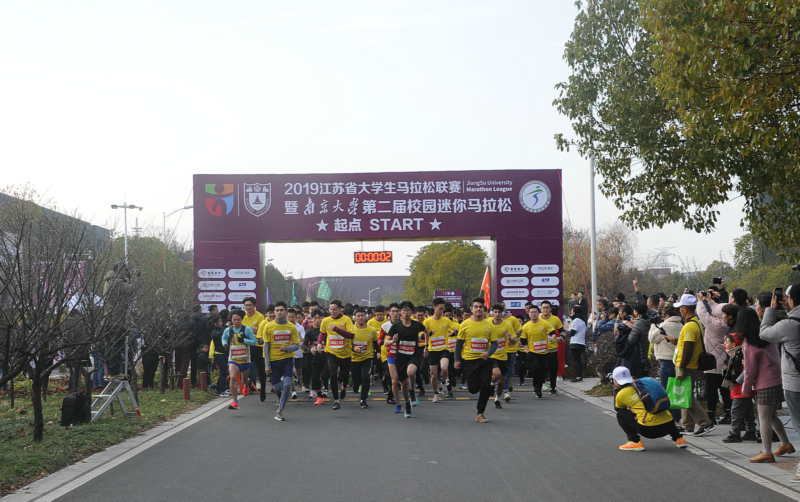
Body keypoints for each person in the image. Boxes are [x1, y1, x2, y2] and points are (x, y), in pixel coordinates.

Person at [739, 307, 794, 463]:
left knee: (763, 418)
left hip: (765, 384)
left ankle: (767, 452)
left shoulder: (749, 343)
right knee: (771, 416)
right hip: (778, 380)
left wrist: (746, 388)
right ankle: (785, 444)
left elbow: (749, 371)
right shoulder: (767, 337)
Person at [760, 285, 800, 479]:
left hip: (795, 383)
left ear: (791, 300)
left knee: (799, 424)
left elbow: (765, 332)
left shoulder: (789, 325)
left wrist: (772, 309)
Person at [612, 366, 687, 451]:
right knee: (660, 409)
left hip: (649, 430)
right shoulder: (645, 386)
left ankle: (634, 441)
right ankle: (679, 439)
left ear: (616, 382)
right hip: (669, 425)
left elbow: (618, 408)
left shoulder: (621, 394)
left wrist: (616, 391)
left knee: (621, 414)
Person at [673, 294, 716, 436]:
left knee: (686, 396)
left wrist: (682, 368)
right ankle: (687, 425)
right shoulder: (696, 323)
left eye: (680, 308)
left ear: (685, 309)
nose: (679, 310)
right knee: (685, 394)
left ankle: (705, 423)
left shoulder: (689, 326)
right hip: (690, 365)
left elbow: (688, 348)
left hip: (687, 366)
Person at [454, 298, 499, 423]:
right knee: (473, 389)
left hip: (484, 361)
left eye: (480, 307)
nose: (478, 309)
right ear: (472, 309)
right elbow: (459, 344)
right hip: (469, 360)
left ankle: (480, 413)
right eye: (476, 307)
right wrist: (457, 359)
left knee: (485, 386)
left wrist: (488, 353)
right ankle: (480, 384)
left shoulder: (489, 325)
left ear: (484, 309)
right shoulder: (465, 324)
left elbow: (495, 344)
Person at [385, 300, 428, 418]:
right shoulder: (396, 327)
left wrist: (426, 346)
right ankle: (407, 405)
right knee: (403, 384)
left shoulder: (417, 325)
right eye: (404, 310)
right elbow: (385, 343)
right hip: (400, 358)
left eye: (409, 310)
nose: (406, 312)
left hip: (414, 355)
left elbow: (427, 331)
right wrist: (392, 341)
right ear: (400, 313)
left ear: (412, 312)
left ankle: (412, 391)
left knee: (411, 372)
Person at [262, 301, 302, 421]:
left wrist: (287, 349)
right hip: (273, 361)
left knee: (287, 385)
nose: (279, 312)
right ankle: (280, 396)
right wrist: (267, 365)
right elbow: (266, 347)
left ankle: (279, 411)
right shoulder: (268, 327)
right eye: (277, 310)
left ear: (285, 311)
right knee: (278, 387)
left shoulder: (291, 327)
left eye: (281, 310)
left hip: (287, 360)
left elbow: (297, 345)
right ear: (274, 312)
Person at [721, 333, 757, 443]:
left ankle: (735, 433)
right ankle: (750, 431)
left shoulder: (739, 354)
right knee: (748, 411)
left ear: (733, 344)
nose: (725, 345)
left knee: (736, 412)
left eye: (727, 342)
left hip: (741, 388)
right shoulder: (737, 353)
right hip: (743, 388)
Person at [319, 299, 355, 410]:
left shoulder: (346, 320)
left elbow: (351, 335)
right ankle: (336, 400)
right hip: (331, 352)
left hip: (345, 353)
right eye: (331, 309)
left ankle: (344, 387)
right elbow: (322, 333)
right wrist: (320, 343)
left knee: (344, 375)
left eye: (335, 309)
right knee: (333, 374)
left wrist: (336, 329)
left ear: (340, 309)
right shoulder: (326, 321)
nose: (332, 311)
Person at [648, 306, 681, 422]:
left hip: (666, 361)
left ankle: (670, 418)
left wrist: (654, 324)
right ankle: (677, 417)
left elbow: (652, 338)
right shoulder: (681, 325)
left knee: (667, 391)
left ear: (667, 316)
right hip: (677, 362)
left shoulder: (664, 325)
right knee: (676, 391)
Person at [222, 309, 258, 410]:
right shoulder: (228, 330)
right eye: (234, 320)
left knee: (244, 380)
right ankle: (235, 401)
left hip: (245, 360)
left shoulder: (246, 330)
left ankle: (247, 385)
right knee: (233, 377)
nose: (236, 322)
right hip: (233, 359)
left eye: (238, 320)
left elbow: (254, 342)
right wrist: (224, 344)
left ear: (241, 319)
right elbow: (224, 338)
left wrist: (244, 340)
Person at [423, 298, 457, 403]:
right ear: (434, 308)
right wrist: (425, 347)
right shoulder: (427, 321)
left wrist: (456, 330)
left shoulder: (446, 321)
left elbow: (454, 328)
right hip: (432, 350)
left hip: (444, 349)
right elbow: (423, 335)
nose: (442, 311)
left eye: (443, 309)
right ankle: (435, 393)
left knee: (444, 367)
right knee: (433, 376)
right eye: (440, 309)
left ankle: (443, 383)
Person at [520, 304, 556, 399]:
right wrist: (527, 351)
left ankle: (539, 386)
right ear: (529, 314)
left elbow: (553, 332)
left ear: (538, 313)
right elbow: (523, 340)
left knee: (543, 371)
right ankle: (536, 387)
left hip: (544, 352)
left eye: (535, 312)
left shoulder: (544, 323)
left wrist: (552, 338)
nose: (534, 314)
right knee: (536, 369)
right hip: (533, 353)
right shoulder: (526, 326)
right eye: (532, 312)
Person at [347, 307, 379, 408]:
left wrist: (378, 352)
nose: (360, 318)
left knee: (365, 377)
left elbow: (376, 343)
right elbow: (347, 344)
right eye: (358, 316)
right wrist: (354, 348)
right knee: (356, 380)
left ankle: (363, 399)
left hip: (367, 357)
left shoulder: (371, 330)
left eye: (362, 316)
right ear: (354, 317)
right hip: (354, 359)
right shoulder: (350, 330)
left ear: (366, 317)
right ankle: (356, 385)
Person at [489, 303, 515, 409]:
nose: (497, 314)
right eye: (495, 312)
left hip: (503, 356)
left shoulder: (507, 325)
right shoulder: (487, 324)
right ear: (492, 313)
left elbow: (513, 341)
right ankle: (490, 384)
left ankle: (497, 399)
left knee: (501, 381)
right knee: (497, 374)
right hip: (491, 355)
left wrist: (510, 339)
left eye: (499, 312)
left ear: (503, 313)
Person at [241, 297, 266, 400]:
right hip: (246, 346)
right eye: (246, 305)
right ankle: (248, 385)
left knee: (260, 370)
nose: (248, 307)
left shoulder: (259, 316)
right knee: (246, 368)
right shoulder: (243, 317)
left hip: (257, 346)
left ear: (254, 306)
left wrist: (249, 331)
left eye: (250, 305)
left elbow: (261, 332)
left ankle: (263, 390)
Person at [540, 301, 564, 394]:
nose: (545, 309)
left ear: (550, 309)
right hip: (541, 349)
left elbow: (563, 331)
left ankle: (553, 387)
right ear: (541, 309)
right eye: (543, 307)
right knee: (544, 368)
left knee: (554, 369)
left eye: (547, 307)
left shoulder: (555, 319)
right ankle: (541, 384)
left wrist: (560, 338)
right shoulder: (537, 319)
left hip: (553, 348)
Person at [306, 309, 329, 405]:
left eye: (319, 318)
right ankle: (319, 396)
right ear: (312, 319)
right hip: (315, 356)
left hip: (327, 355)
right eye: (315, 318)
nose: (318, 320)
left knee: (325, 375)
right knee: (315, 377)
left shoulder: (326, 329)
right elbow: (304, 345)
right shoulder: (310, 331)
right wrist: (310, 349)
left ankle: (326, 388)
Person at [568, 306, 587, 382]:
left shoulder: (576, 320)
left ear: (575, 312)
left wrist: (568, 332)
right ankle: (579, 375)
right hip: (581, 342)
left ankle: (578, 376)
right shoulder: (582, 321)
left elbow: (573, 332)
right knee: (578, 360)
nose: (571, 313)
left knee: (575, 360)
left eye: (572, 311)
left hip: (575, 342)